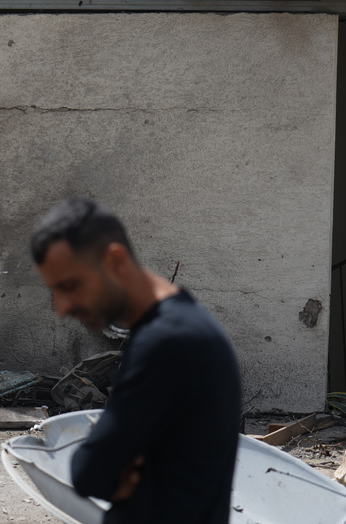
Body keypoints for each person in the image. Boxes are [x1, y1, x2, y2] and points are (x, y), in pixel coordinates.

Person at [31, 198, 240, 524]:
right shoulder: (186, 326)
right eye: (54, 291)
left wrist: (108, 458)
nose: (61, 307)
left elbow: (89, 472)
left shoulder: (167, 343)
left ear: (115, 260)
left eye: (70, 286)